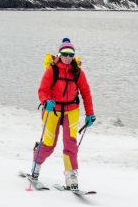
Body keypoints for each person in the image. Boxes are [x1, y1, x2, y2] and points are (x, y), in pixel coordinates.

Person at [31, 38, 95, 190]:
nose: (68, 57)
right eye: (65, 54)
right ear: (59, 54)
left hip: (71, 110)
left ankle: (71, 177)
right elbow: (43, 90)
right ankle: (35, 167)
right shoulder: (52, 70)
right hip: (52, 109)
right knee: (48, 144)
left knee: (70, 144)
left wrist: (90, 113)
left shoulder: (78, 72)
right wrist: (46, 101)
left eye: (71, 54)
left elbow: (86, 94)